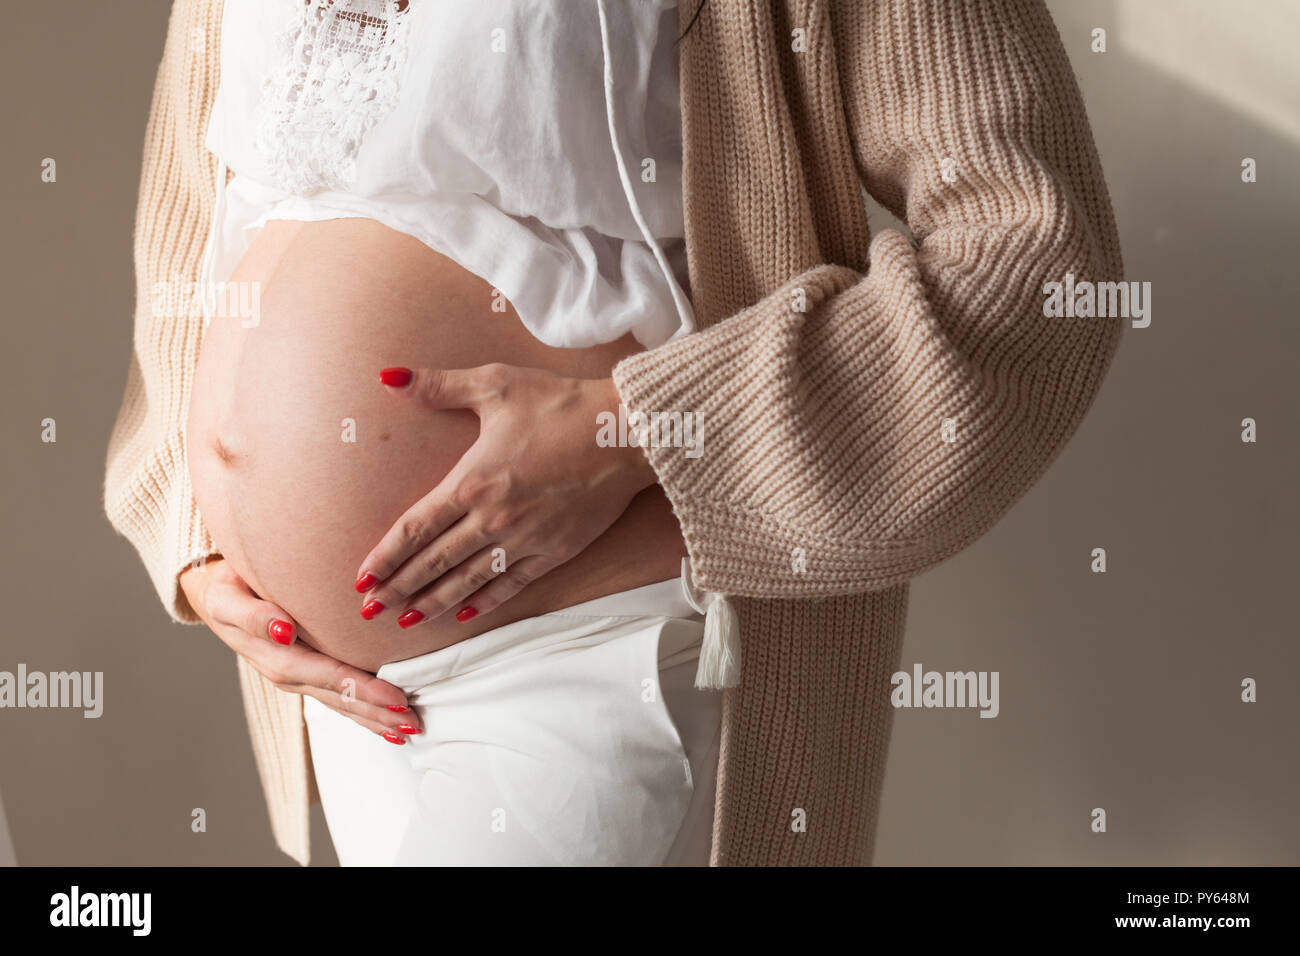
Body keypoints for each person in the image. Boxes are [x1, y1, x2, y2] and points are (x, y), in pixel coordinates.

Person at [105, 0, 1123, 866]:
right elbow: (192, 223)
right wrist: (196, 533)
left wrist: (635, 429)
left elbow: (1035, 260)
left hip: (582, 659)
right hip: (338, 698)